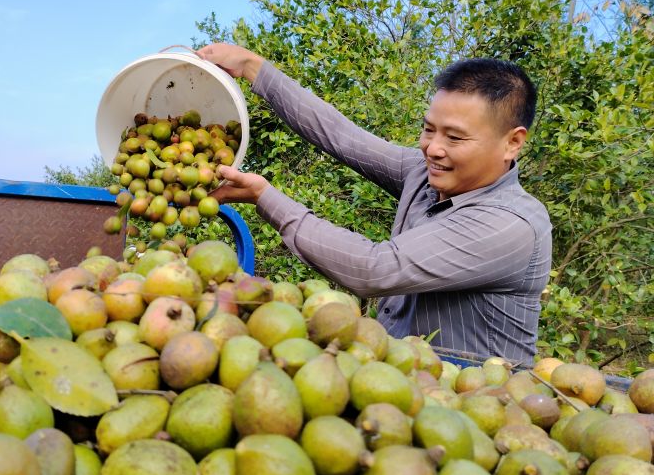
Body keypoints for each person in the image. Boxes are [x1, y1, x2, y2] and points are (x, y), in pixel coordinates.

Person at [197, 43, 552, 364]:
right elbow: (341, 136)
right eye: (429, 130)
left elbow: (375, 268)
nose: (433, 149)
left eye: (455, 137)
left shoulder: (511, 224)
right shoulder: (425, 173)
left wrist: (264, 196)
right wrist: (251, 66)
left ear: (512, 143)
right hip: (397, 391)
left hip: (477, 411)